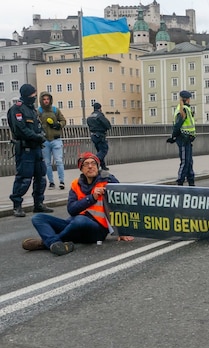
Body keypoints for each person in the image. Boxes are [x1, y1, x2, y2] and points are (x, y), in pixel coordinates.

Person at [21, 152, 134, 256]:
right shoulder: (76, 184)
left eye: (93, 163)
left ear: (97, 165)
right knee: (38, 218)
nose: (90, 166)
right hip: (75, 223)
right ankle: (55, 243)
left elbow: (121, 205)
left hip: (97, 229)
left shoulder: (108, 180)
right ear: (81, 168)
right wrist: (91, 198)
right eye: (86, 164)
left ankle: (46, 242)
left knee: (80, 220)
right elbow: (72, 209)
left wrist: (122, 231)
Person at [8, 84, 53, 217]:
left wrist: (42, 135)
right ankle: (17, 205)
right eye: (33, 94)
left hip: (37, 148)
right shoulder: (17, 109)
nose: (34, 96)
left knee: (41, 177)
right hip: (25, 149)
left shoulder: (32, 110)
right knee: (24, 178)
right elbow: (20, 129)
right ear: (27, 94)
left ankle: (38, 204)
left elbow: (39, 127)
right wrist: (37, 137)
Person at [38, 91, 67, 190]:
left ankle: (62, 181)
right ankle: (51, 182)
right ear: (41, 100)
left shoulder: (55, 110)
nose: (46, 101)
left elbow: (63, 120)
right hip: (45, 140)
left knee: (59, 161)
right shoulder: (39, 111)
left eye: (47, 99)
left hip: (56, 139)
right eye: (44, 99)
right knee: (47, 162)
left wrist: (58, 125)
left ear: (50, 100)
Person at [167, 90, 196, 186]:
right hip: (183, 139)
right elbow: (178, 125)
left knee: (189, 161)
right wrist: (173, 136)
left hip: (187, 139)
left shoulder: (186, 109)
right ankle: (180, 182)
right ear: (187, 99)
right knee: (185, 161)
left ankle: (191, 182)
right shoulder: (182, 110)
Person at [86, 102, 112, 171]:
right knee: (103, 150)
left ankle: (103, 166)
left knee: (99, 150)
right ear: (100, 108)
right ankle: (94, 161)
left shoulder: (90, 116)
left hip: (93, 135)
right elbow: (107, 124)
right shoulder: (100, 116)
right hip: (100, 135)